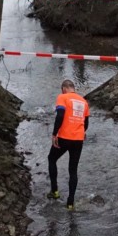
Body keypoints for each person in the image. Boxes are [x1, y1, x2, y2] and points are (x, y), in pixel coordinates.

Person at [46, 79, 90, 211]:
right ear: (73, 88)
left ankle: (54, 191)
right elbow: (86, 122)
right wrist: (82, 132)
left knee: (52, 159)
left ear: (64, 88)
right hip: (78, 139)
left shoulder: (63, 97)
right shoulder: (84, 102)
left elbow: (60, 115)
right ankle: (70, 203)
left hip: (64, 137)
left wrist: (54, 134)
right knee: (73, 170)